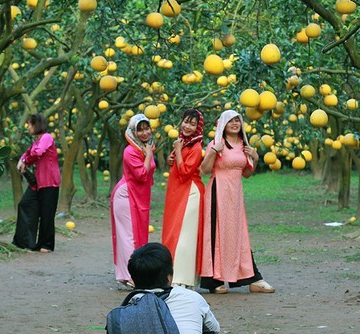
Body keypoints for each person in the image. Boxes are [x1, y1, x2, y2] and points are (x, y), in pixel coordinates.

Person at [199, 109, 275, 294]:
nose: (235, 124)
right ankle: (213, 281)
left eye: (237, 120)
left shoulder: (243, 145)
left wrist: (255, 158)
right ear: (223, 124)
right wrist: (212, 153)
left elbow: (247, 174)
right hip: (218, 191)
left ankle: (251, 278)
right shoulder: (216, 144)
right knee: (216, 233)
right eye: (231, 121)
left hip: (236, 195)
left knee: (238, 234)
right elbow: (204, 170)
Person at [110, 114, 155, 287]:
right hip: (126, 196)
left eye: (147, 128)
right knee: (129, 237)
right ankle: (131, 276)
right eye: (140, 129)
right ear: (133, 131)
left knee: (137, 235)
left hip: (139, 195)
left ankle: (132, 274)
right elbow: (142, 175)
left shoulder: (145, 147)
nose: (144, 132)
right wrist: (149, 155)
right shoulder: (131, 151)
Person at [162, 109, 205, 288]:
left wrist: (178, 151)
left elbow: (186, 172)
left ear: (198, 127)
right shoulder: (183, 143)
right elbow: (178, 167)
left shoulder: (196, 147)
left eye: (193, 124)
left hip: (190, 193)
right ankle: (173, 275)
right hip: (179, 192)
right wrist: (173, 157)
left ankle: (183, 279)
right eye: (186, 122)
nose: (187, 126)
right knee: (175, 232)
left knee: (185, 236)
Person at [13, 113, 61, 253]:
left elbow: (38, 153)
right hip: (38, 182)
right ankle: (23, 241)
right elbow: (28, 152)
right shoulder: (36, 141)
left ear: (36, 124)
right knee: (25, 204)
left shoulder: (46, 137)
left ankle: (46, 245)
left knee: (47, 214)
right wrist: (22, 160)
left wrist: (25, 162)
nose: (28, 127)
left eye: (29, 124)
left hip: (49, 182)